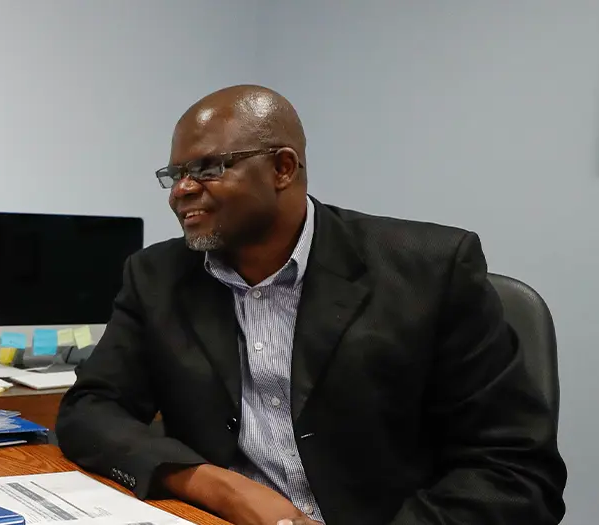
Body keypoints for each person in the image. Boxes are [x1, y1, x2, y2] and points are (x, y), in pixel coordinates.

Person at [56, 85, 566, 525]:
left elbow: (514, 472)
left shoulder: (431, 271)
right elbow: (91, 411)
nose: (182, 191)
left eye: (207, 168)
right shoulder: (157, 276)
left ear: (282, 167)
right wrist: (216, 486)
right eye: (175, 174)